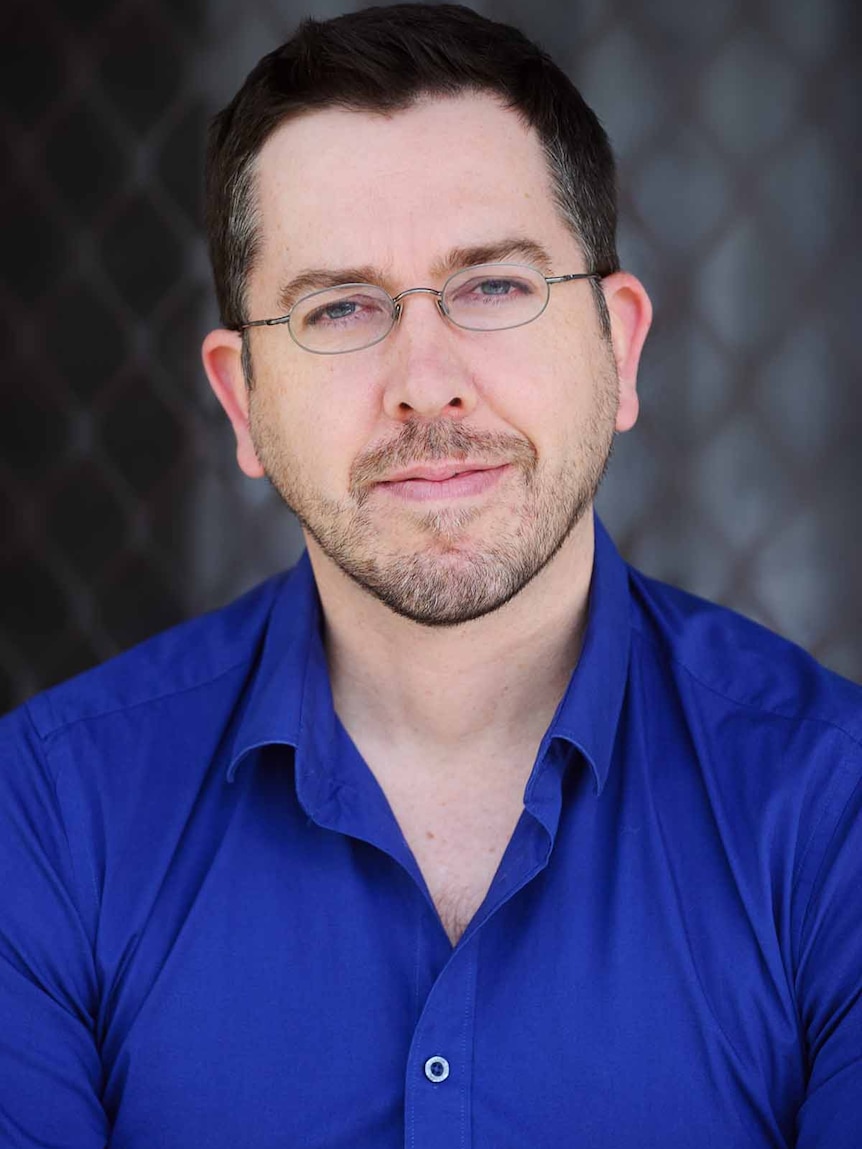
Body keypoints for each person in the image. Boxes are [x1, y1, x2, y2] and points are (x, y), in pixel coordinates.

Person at [1, 4, 859, 1146]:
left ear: (619, 347)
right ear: (242, 399)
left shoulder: (835, 808)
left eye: (495, 286)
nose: (424, 383)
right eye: (340, 307)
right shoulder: (51, 816)